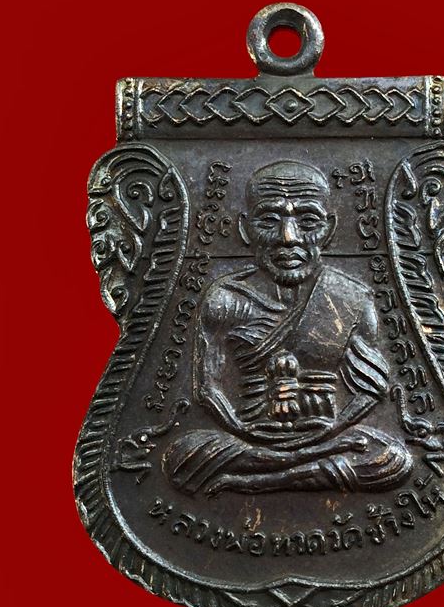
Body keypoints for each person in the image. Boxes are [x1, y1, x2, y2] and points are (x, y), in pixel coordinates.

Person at [162, 160, 412, 495]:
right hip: (250, 436)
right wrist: (244, 431)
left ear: (329, 229)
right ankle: (296, 468)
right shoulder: (225, 299)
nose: (288, 238)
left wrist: (328, 432)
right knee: (181, 456)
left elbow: (369, 390)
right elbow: (208, 389)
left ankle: (262, 481)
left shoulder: (350, 297)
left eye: (307, 221)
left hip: (327, 434)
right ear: (245, 229)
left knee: (393, 459)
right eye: (269, 220)